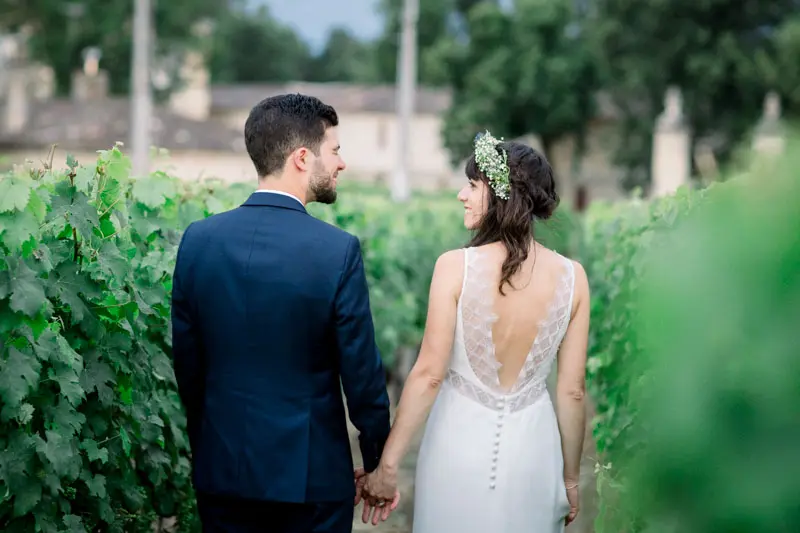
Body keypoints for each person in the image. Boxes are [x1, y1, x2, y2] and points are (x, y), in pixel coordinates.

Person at [171, 93, 393, 533]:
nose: (341, 164)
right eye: (335, 150)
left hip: (223, 473)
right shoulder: (336, 251)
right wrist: (376, 463)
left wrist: (209, 449)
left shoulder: (198, 241)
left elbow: (189, 367)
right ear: (302, 157)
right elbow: (361, 374)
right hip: (310, 478)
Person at [357, 132, 590, 531]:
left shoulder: (454, 267)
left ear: (501, 195)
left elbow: (429, 374)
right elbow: (572, 391)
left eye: (471, 185)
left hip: (457, 445)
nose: (461, 196)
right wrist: (569, 480)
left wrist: (387, 467)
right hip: (534, 454)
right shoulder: (574, 278)